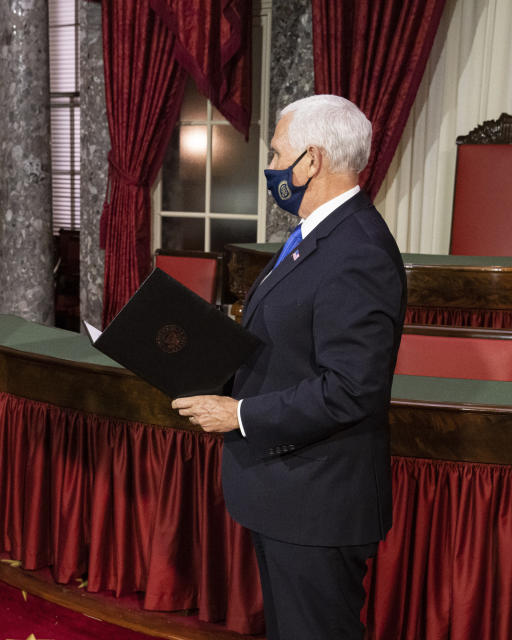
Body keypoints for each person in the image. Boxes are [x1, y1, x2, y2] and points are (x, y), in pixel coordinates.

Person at [172, 95, 406, 639]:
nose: (271, 167)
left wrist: (241, 414)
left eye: (278, 153)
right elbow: (286, 344)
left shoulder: (358, 248)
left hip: (319, 502)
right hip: (291, 494)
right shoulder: (317, 234)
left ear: (312, 161)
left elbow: (352, 388)